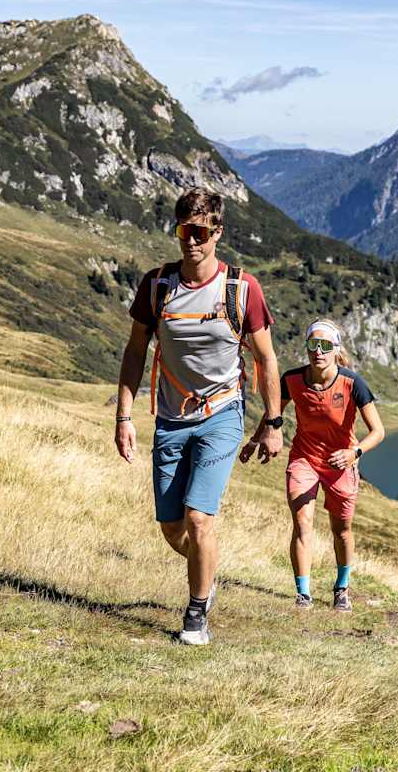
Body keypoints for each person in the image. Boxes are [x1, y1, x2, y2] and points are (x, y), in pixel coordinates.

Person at [114, 187, 283, 646]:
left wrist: (272, 423)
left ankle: (196, 613)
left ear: (218, 233)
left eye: (201, 231)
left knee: (198, 518)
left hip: (221, 414)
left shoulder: (240, 289)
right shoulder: (157, 286)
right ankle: (206, 571)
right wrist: (124, 415)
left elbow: (267, 360)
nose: (191, 241)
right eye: (184, 230)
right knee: (172, 528)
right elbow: (134, 351)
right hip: (170, 417)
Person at [241, 319, 384, 612]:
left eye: (325, 346)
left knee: (341, 529)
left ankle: (341, 588)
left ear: (335, 350)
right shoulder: (291, 380)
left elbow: (378, 431)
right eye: (312, 344)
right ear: (306, 347)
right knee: (302, 524)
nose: (318, 351)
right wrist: (256, 440)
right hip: (304, 459)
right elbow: (273, 414)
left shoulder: (353, 383)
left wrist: (354, 453)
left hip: (341, 463)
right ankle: (303, 594)